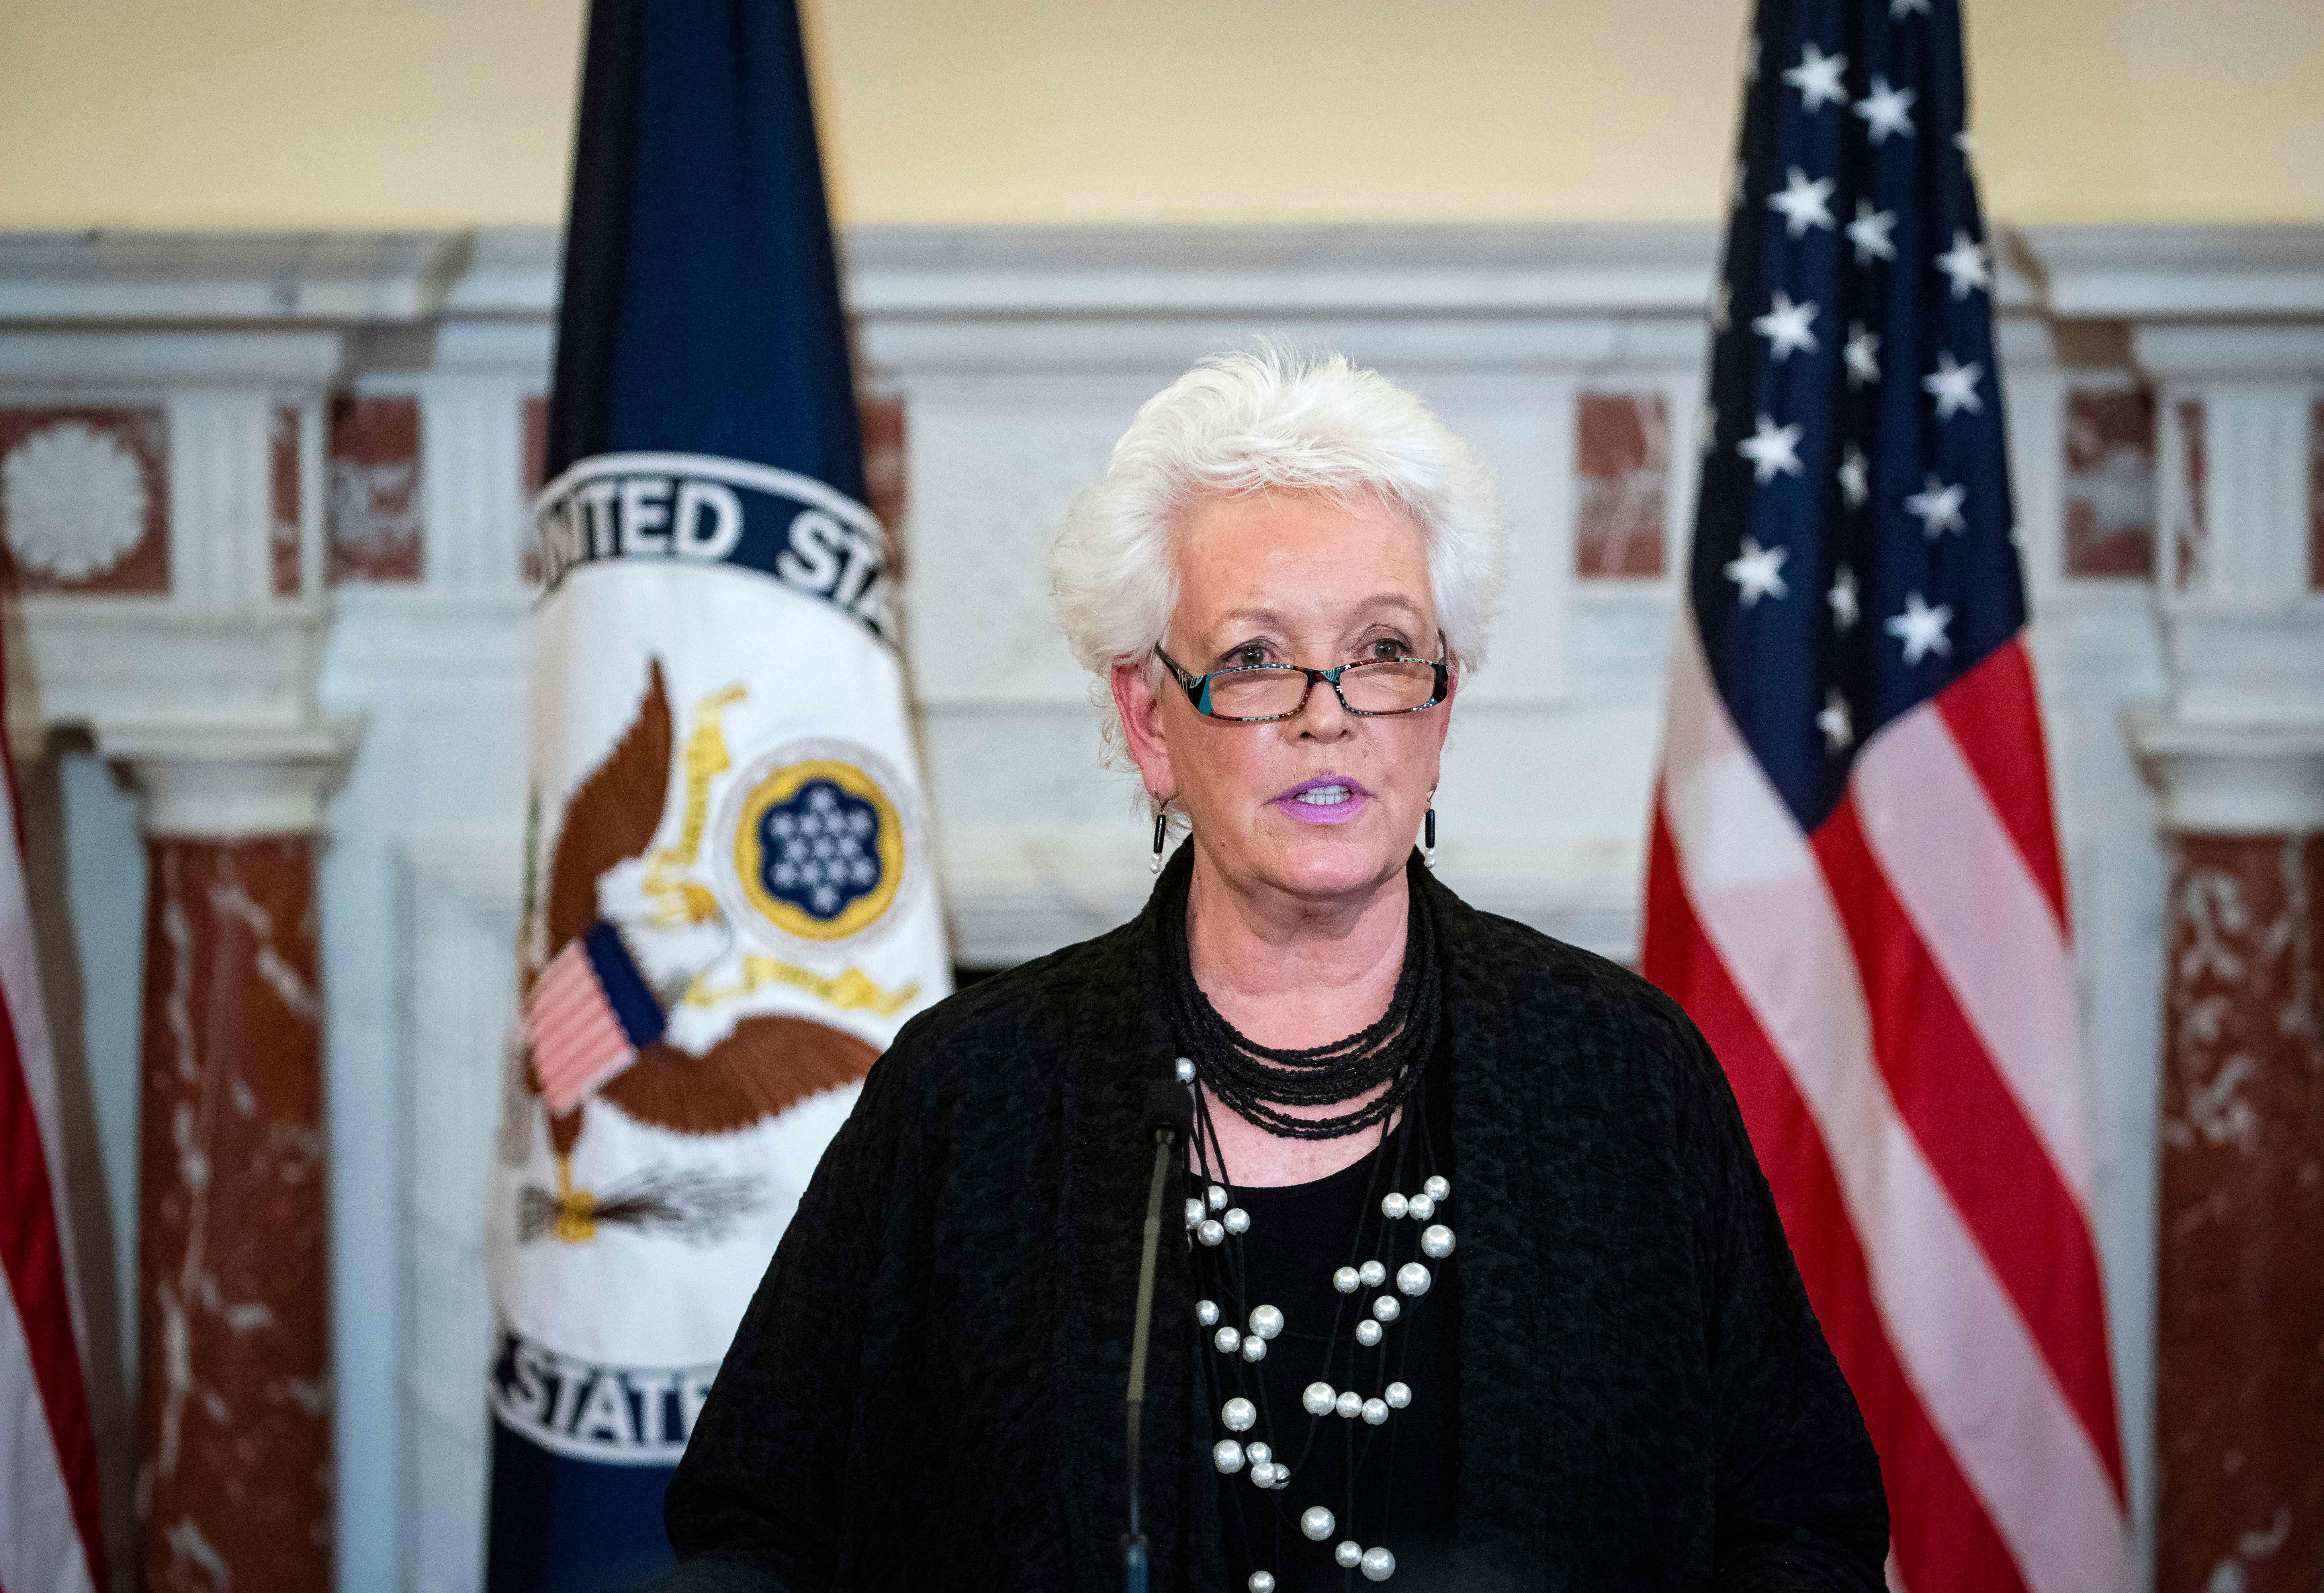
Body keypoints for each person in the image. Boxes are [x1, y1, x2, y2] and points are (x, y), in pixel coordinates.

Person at [656, 345, 1889, 1591]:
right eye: (1253, 658)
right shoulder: (974, 1092)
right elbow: (753, 1530)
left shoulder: (1623, 1076)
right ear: (1150, 721)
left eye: (1386, 650)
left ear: (1442, 708)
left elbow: (1803, 1526)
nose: (1328, 711)